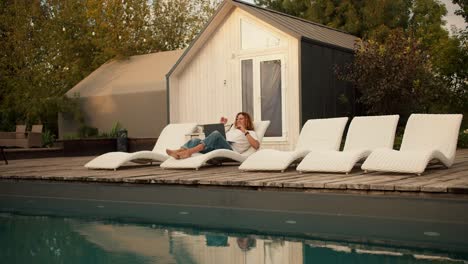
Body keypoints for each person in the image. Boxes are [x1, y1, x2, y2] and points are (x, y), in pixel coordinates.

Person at [166, 112, 259, 159]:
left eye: (241, 119)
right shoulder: (232, 129)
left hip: (230, 150)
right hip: (218, 146)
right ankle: (177, 152)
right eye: (237, 118)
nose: (238, 120)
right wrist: (221, 125)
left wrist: (244, 131)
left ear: (247, 121)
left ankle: (189, 152)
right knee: (195, 140)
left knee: (215, 134)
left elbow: (256, 145)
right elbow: (221, 135)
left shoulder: (251, 133)